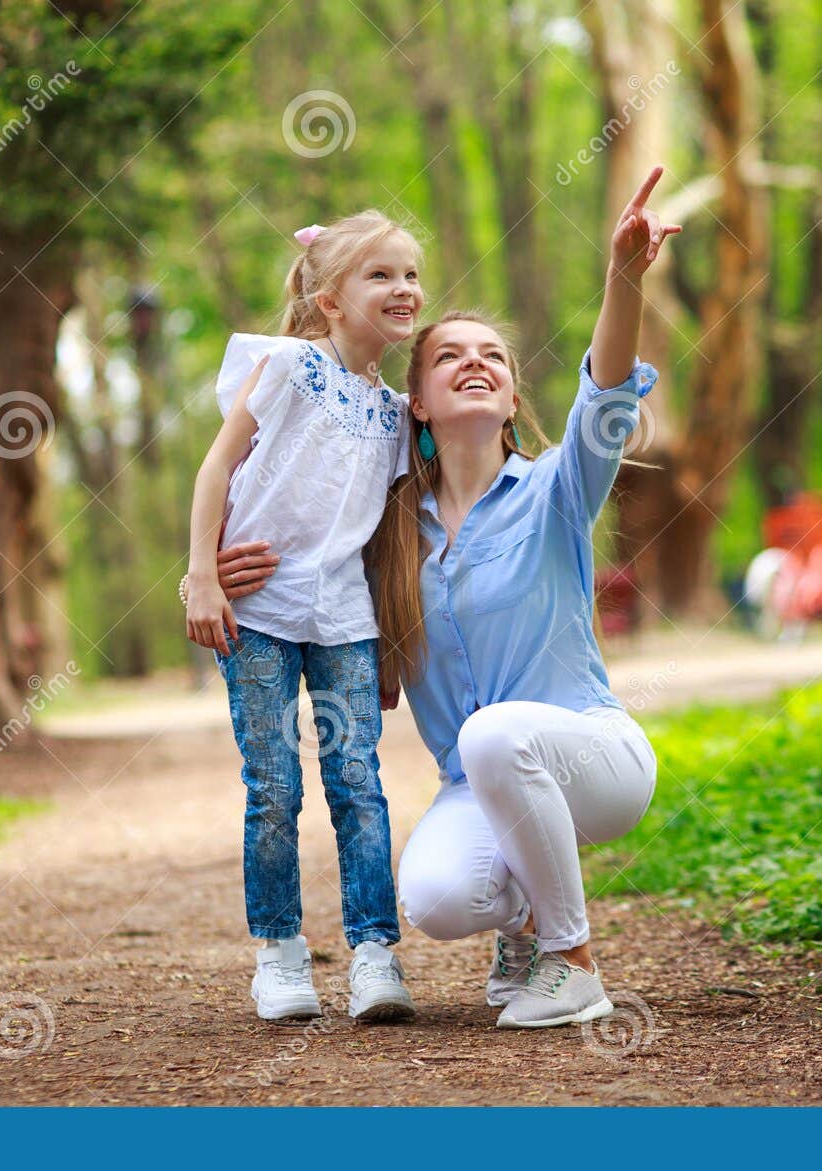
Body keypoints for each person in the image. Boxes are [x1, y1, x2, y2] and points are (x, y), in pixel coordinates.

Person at [365, 166, 681, 1028]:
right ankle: (524, 918)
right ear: (419, 404)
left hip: (598, 760)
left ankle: (571, 959)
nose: (475, 364)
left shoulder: (557, 490)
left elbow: (607, 392)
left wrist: (625, 277)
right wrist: (212, 567)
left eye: (492, 357)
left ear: (508, 399)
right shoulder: (390, 533)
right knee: (434, 898)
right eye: (449, 357)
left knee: (494, 732)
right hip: (477, 782)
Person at [184, 211, 423, 1023]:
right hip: (258, 609)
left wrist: (391, 639)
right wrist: (201, 575)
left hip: (347, 616)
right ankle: (280, 954)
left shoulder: (395, 414)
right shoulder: (288, 366)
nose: (404, 289)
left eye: (411, 274)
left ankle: (373, 952)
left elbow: (388, 535)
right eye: (381, 275)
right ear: (329, 299)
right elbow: (217, 466)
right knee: (275, 784)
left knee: (358, 778)